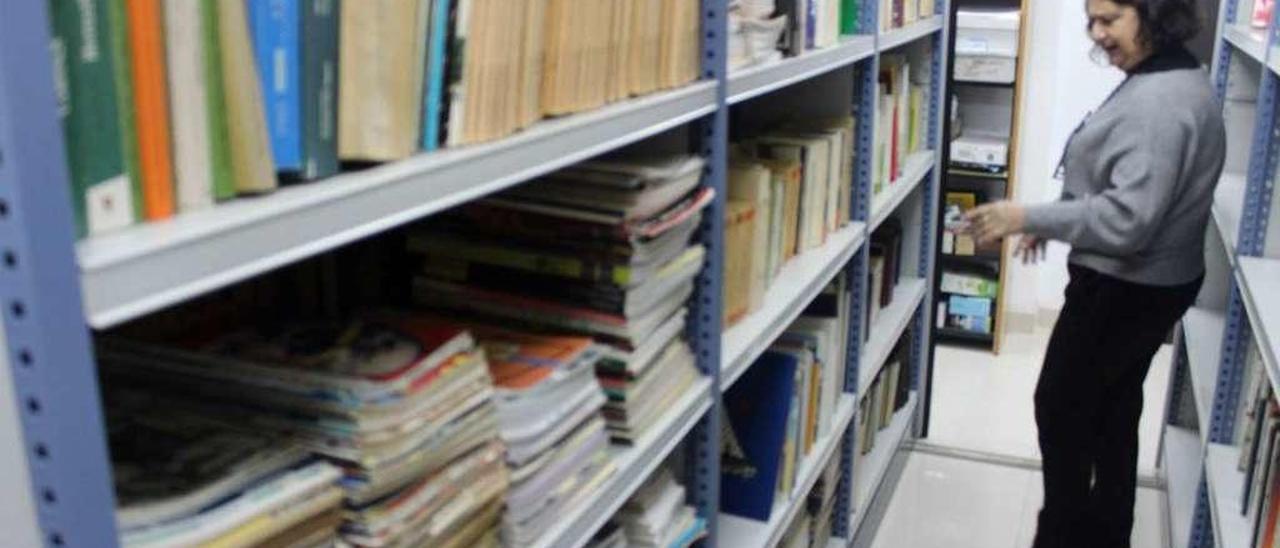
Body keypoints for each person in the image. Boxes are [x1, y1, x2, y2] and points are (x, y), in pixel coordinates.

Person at [963, 0, 1225, 546]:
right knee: (1112, 410)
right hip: (1154, 282)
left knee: (1061, 409)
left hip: (1126, 287)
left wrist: (1026, 216)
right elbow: (1122, 173)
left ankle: (1063, 535)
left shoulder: (1159, 99)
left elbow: (1128, 220)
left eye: (1111, 19)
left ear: (1154, 15)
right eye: (1092, 20)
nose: (1098, 33)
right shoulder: (1170, 73)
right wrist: (1061, 218)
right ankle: (1108, 532)